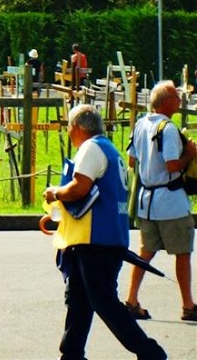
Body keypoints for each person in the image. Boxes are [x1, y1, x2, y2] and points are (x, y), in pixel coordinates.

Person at [41, 104, 166, 360]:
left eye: (69, 126)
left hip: (95, 238)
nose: (68, 131)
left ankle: (150, 352)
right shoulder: (109, 149)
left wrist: (55, 192)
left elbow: (79, 188)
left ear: (77, 127)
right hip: (104, 235)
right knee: (78, 298)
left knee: (103, 300)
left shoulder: (90, 148)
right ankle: (71, 353)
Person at [124, 80, 197, 322]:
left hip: (147, 201)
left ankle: (132, 299)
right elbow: (172, 165)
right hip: (171, 201)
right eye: (176, 97)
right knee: (183, 253)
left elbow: (132, 160)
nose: (179, 101)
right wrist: (191, 153)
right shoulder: (168, 128)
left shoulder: (141, 124)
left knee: (145, 252)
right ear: (166, 102)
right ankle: (188, 304)